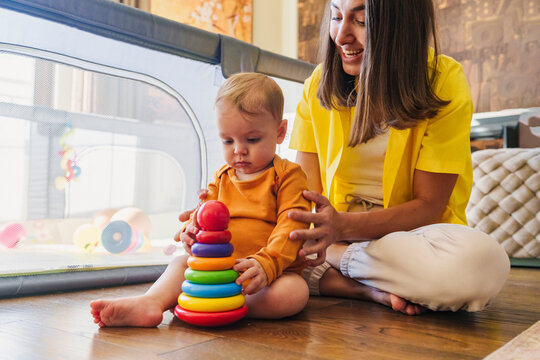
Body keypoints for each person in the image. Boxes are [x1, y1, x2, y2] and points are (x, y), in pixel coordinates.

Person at [287, 0, 510, 315]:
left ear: (401, 27)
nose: (340, 36)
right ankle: (361, 287)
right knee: (257, 238)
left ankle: (335, 266)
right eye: (337, 16)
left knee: (483, 263)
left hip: (413, 238)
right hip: (340, 240)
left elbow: (430, 205)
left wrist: (337, 236)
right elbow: (302, 193)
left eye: (361, 21)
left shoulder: (444, 80)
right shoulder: (317, 85)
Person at [90, 73, 311, 327]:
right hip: (219, 271)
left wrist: (267, 263)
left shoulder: (288, 175)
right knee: (179, 263)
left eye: (252, 139)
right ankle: (152, 301)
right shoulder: (222, 177)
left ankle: (206, 303)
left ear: (280, 132)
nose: (238, 149)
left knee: (294, 294)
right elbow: (203, 216)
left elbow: (292, 227)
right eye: (227, 140)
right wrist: (191, 230)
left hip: (269, 275)